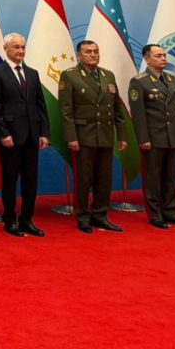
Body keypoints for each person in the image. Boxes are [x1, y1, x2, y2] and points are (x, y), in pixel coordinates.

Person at [58, 40, 128, 234]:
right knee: (84, 180)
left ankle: (100, 216)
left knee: (104, 179)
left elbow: (117, 108)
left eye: (95, 51)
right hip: (83, 136)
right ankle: (83, 217)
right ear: (79, 55)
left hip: (105, 134)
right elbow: (66, 110)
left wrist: (122, 135)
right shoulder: (70, 75)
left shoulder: (108, 75)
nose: (93, 55)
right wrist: (71, 137)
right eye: (88, 52)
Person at [0, 33, 50, 237]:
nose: (20, 51)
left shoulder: (32, 73)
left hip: (32, 136)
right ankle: (9, 219)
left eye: (23, 47)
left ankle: (27, 219)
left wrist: (44, 133)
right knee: (10, 180)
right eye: (16, 47)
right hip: (10, 138)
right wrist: (3, 133)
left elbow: (40, 105)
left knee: (31, 181)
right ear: (6, 49)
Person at [129, 44, 175, 229]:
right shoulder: (139, 81)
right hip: (153, 138)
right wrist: (143, 139)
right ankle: (155, 214)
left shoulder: (173, 80)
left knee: (171, 177)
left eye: (164, 55)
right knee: (153, 178)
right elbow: (138, 114)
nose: (163, 59)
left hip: (172, 136)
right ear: (147, 59)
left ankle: (171, 211)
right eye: (158, 56)